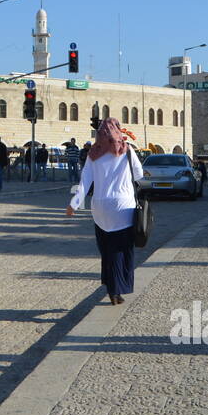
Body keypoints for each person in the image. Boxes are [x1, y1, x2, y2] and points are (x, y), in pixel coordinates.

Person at [65, 117, 143, 306]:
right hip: (123, 207)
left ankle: (110, 286)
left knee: (106, 250)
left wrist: (73, 204)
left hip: (99, 207)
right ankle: (117, 289)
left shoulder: (93, 153)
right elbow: (139, 174)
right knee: (121, 249)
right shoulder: (127, 150)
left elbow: (85, 183)